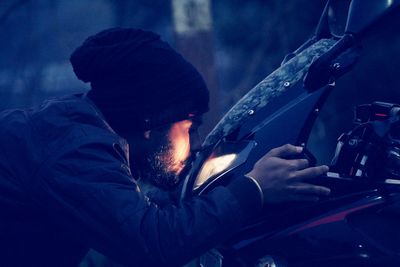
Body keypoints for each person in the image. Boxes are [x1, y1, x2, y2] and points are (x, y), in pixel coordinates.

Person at [0, 28, 330, 267]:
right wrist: (255, 188)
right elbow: (151, 242)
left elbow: (130, 212)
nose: (197, 143)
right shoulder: (72, 149)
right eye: (190, 126)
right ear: (150, 121)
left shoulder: (80, 133)